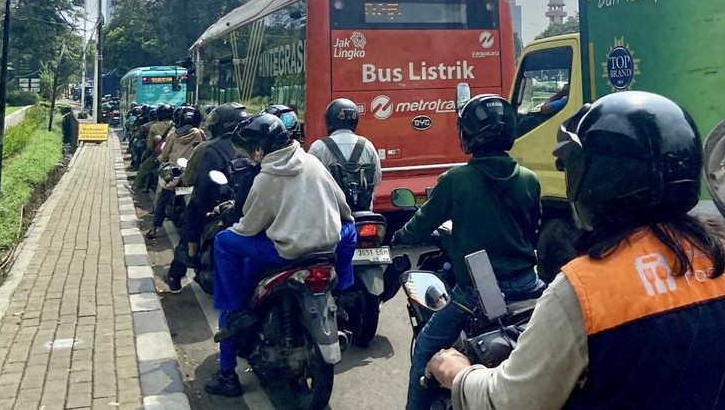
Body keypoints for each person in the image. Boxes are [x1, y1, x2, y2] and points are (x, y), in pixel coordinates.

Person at [425, 91, 725, 410]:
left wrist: (456, 372)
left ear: (595, 179)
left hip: (486, 294)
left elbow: (507, 401)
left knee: (433, 349)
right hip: (522, 283)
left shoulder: (585, 288)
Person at [392, 94, 544, 410]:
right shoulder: (530, 180)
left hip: (478, 291)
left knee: (425, 348)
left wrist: (399, 237)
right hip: (529, 286)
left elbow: (420, 226)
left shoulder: (455, 180)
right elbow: (531, 231)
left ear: (468, 134)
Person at [207, 113, 351, 398]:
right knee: (352, 229)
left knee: (224, 241)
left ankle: (233, 311)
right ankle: (345, 291)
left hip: (286, 253)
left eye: (251, 150)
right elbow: (343, 206)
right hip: (326, 249)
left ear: (259, 149)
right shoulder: (313, 161)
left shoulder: (266, 177)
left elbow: (248, 227)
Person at [162, 103, 249, 292]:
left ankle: (178, 271)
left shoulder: (208, 148)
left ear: (223, 125)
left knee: (193, 213)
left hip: (217, 204)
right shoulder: (251, 146)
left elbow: (195, 183)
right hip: (247, 205)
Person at [308, 98, 382, 293]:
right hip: (364, 217)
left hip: (330, 220)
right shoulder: (368, 146)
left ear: (329, 120)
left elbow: (309, 184)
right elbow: (377, 178)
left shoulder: (318, 148)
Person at [146, 106, 205, 239]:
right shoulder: (200, 134)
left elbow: (165, 153)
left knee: (162, 197)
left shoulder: (173, 135)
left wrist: (161, 159)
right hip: (193, 172)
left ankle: (154, 228)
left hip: (175, 173)